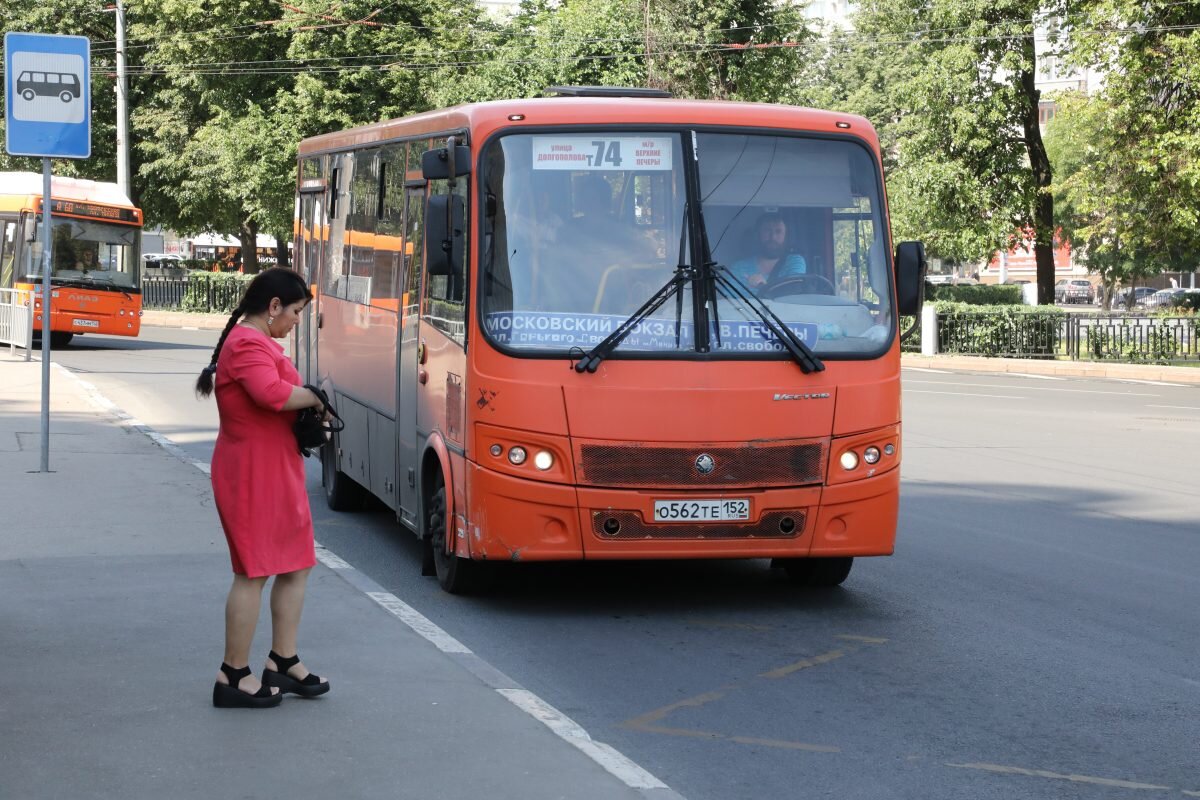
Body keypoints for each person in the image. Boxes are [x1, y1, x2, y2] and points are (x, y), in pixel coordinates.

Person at [195, 267, 332, 709]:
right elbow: (272, 394)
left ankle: (282, 661)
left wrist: (311, 407)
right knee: (253, 572)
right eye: (294, 312)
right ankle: (232, 674)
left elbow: (283, 392)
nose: (296, 321)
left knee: (296, 564)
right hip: (250, 474)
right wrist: (314, 398)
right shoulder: (245, 343)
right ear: (273, 307)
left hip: (277, 469)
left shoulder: (258, 342)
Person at [729, 212, 807, 291]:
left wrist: (763, 287)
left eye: (778, 231)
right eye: (767, 230)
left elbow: (792, 293)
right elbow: (730, 300)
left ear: (786, 236)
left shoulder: (794, 261)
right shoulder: (739, 268)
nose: (773, 237)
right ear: (758, 234)